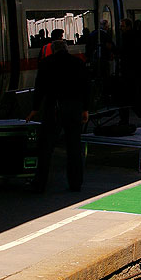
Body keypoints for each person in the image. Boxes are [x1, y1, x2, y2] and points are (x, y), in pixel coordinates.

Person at [26, 40, 90, 192]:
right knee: (74, 146)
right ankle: (75, 183)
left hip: (53, 107)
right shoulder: (77, 62)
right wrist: (85, 109)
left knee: (46, 146)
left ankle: (40, 183)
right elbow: (86, 86)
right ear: (66, 49)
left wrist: (34, 109)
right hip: (74, 107)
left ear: (53, 50)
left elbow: (39, 88)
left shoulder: (46, 63)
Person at [117, 18, 141, 127]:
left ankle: (128, 120)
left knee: (129, 99)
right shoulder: (135, 36)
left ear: (128, 26)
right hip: (134, 72)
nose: (120, 28)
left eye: (122, 26)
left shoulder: (129, 37)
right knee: (132, 99)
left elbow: (127, 53)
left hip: (131, 72)